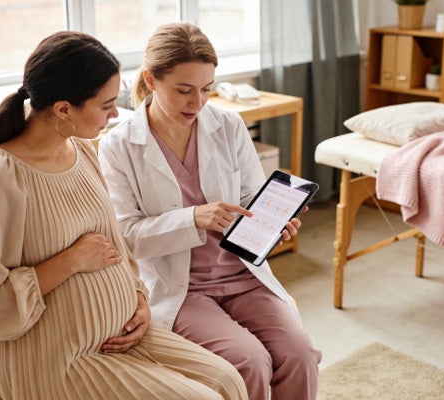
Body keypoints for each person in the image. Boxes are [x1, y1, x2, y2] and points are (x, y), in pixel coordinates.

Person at [0, 31, 248, 400]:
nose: (115, 114)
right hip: (58, 356)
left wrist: (139, 300)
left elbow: (120, 249)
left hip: (124, 330)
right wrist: (71, 260)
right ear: (64, 109)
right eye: (107, 104)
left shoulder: (83, 153)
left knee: (229, 381)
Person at [98, 22, 322, 400]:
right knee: (248, 362)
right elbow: (126, 236)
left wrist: (275, 220)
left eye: (206, 89)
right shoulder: (118, 146)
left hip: (243, 274)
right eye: (183, 90)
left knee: (299, 355)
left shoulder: (228, 125)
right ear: (151, 80)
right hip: (182, 287)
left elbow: (251, 196)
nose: (197, 103)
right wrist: (193, 218)